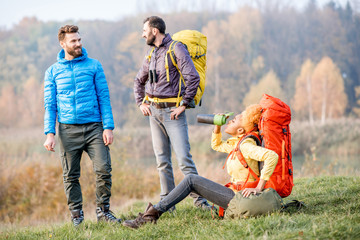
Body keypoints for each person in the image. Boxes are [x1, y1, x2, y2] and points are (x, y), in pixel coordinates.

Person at [122, 104, 279, 229]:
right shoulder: (237, 143)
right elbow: (216, 145)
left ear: (240, 130)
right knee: (192, 181)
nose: (230, 120)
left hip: (238, 198)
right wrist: (217, 126)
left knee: (191, 180)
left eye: (235, 120)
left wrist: (259, 187)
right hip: (235, 194)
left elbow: (272, 156)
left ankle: (149, 217)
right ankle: (152, 214)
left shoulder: (246, 145)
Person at [43, 25, 121, 226]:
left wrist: (108, 127)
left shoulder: (94, 66)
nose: (78, 43)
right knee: (70, 175)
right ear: (63, 44)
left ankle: (103, 212)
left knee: (104, 169)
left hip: (95, 127)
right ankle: (77, 216)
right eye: (73, 41)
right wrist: (50, 133)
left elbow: (104, 97)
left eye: (79, 39)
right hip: (68, 131)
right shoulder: (52, 72)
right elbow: (50, 106)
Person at [133, 16, 210, 210]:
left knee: (184, 160)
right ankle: (167, 204)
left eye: (144, 31)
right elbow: (138, 81)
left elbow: (192, 78)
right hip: (154, 114)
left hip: (173, 114)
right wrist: (140, 102)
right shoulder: (151, 54)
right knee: (162, 162)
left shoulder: (177, 48)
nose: (142, 34)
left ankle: (201, 202)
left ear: (154, 31)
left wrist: (184, 105)